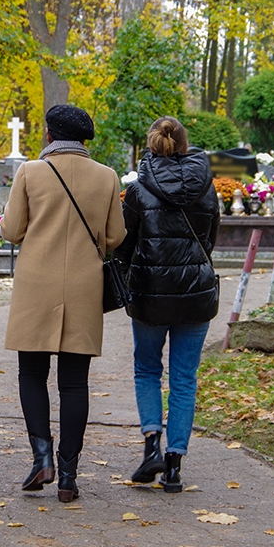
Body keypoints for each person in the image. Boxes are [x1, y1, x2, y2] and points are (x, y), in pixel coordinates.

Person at [0, 104, 125, 502]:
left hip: (36, 284)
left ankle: (42, 459)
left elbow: (11, 230)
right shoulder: (106, 177)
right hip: (85, 286)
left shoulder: (31, 172)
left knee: (31, 375)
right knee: (74, 383)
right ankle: (69, 474)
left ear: (50, 135)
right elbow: (116, 234)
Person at [113, 116, 220, 493]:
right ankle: (174, 465)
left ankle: (150, 447)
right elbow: (210, 238)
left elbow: (123, 245)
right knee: (184, 379)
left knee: (146, 369)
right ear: (185, 143)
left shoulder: (140, 190)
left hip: (150, 293)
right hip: (195, 292)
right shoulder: (206, 188)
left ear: (152, 143)